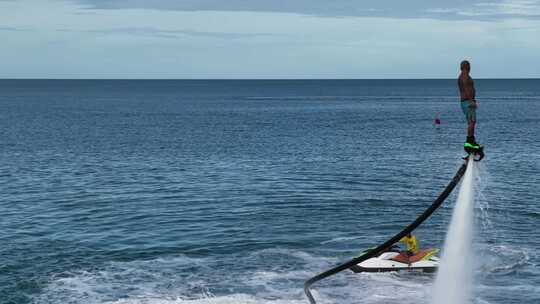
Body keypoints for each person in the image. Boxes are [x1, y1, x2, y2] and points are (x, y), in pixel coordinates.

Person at [458, 60, 479, 146]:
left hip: (467, 101)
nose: (470, 67)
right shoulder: (464, 75)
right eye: (469, 65)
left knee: (471, 122)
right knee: (472, 122)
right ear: (466, 67)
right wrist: (471, 101)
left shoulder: (463, 75)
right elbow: (466, 88)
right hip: (467, 102)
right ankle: (469, 141)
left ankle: (471, 140)